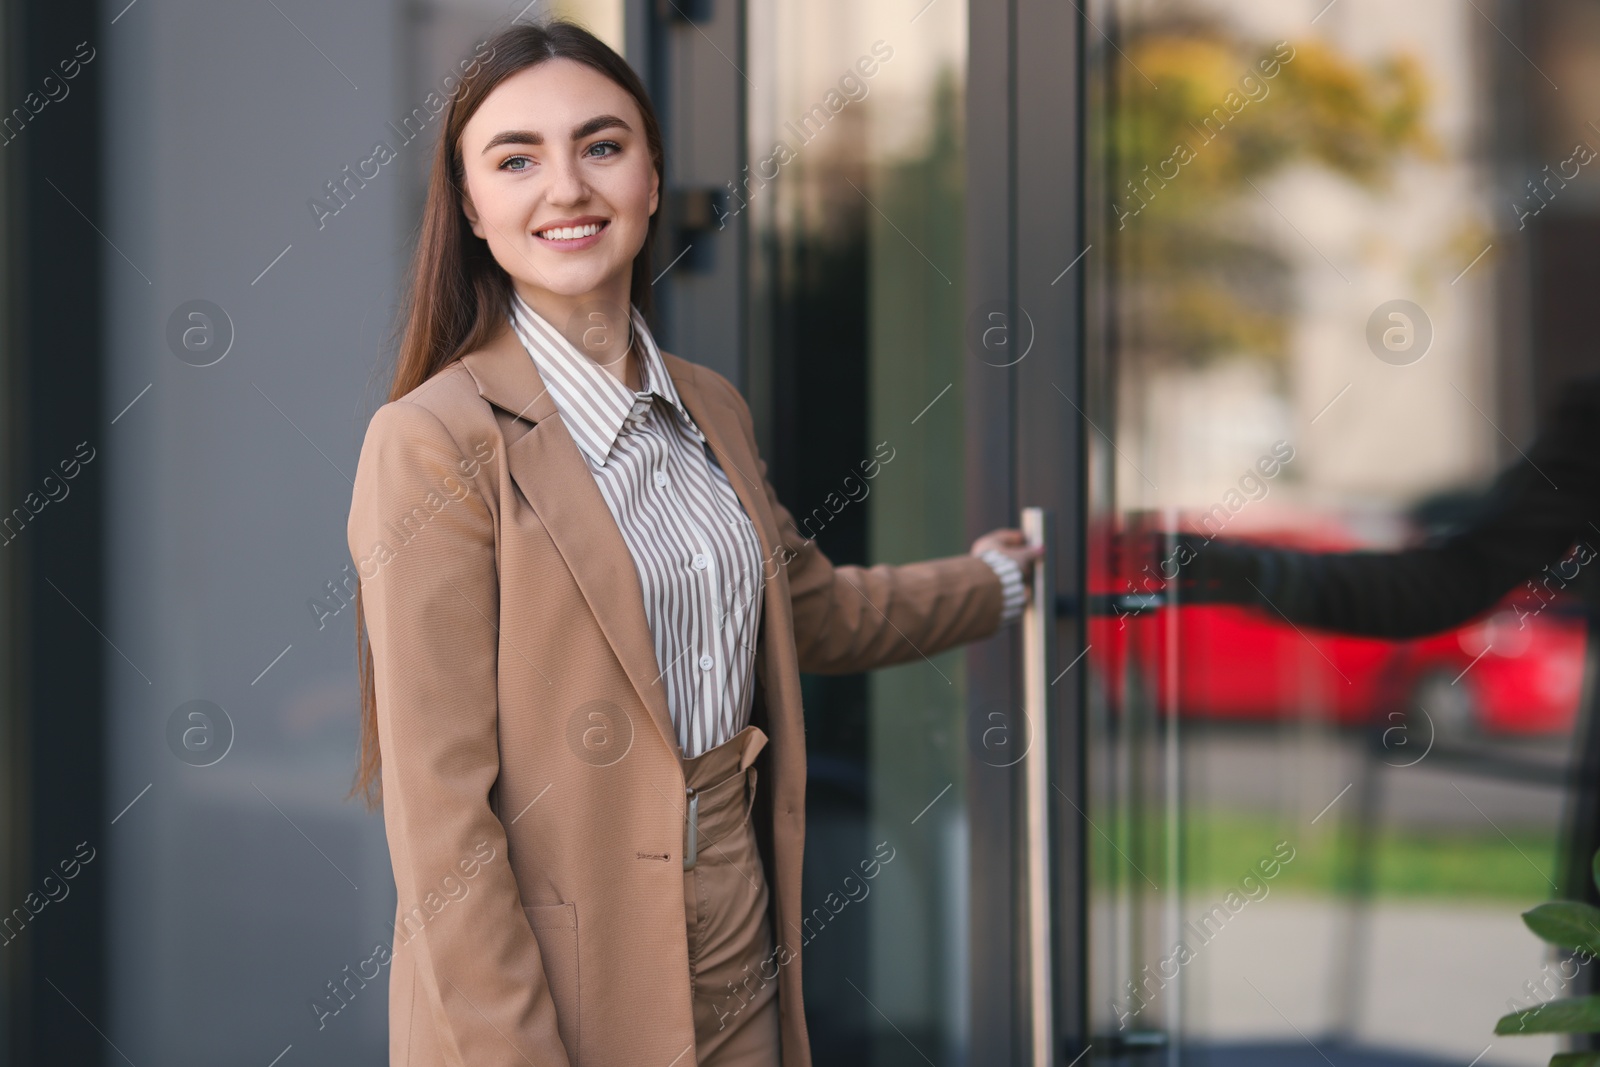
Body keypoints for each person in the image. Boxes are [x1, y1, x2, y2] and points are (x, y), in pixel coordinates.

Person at [344, 19, 1041, 1067]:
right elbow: (438, 813)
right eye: (516, 159)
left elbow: (808, 609)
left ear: (654, 176)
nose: (566, 187)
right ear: (474, 209)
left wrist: (993, 582)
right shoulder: (434, 441)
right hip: (554, 971)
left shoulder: (709, 406)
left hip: (733, 927)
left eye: (602, 145)